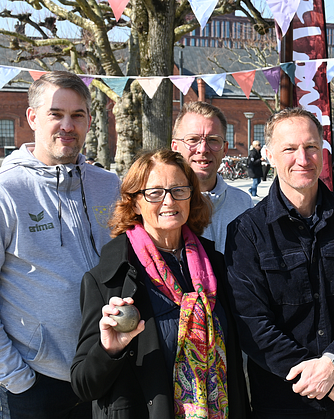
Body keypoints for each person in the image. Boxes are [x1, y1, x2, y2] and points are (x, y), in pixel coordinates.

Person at [224, 107, 334, 418]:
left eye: (311, 147)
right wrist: (322, 381)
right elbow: (252, 323)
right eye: (290, 149)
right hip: (283, 400)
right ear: (271, 155)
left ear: (322, 152)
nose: (303, 158)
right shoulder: (247, 232)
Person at [70, 149, 249, 418]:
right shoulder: (109, 280)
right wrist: (109, 349)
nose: (169, 201)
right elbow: (84, 385)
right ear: (134, 203)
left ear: (191, 196)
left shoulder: (216, 267)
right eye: (154, 192)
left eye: (179, 190)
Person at [0, 71, 120, 419]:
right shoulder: (8, 191)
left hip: (106, 369)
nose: (67, 125)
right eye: (56, 114)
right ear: (32, 117)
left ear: (89, 121)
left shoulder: (108, 185)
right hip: (38, 382)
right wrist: (17, 378)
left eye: (77, 115)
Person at [171, 101, 253, 253]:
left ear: (224, 149)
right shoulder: (162, 206)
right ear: (175, 146)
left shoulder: (243, 204)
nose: (203, 149)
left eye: (213, 140)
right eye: (193, 139)